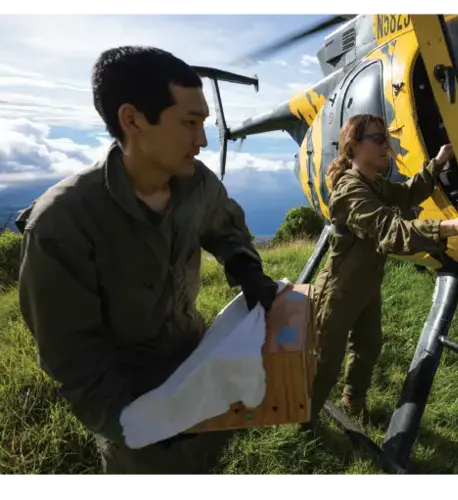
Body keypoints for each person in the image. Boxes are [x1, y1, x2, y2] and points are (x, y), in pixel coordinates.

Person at [15, 45, 278, 478]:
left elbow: (223, 224)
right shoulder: (61, 225)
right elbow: (72, 357)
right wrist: (137, 423)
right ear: (132, 119)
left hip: (200, 370)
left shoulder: (195, 184)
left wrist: (245, 266)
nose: (203, 140)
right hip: (132, 406)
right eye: (190, 123)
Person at [308, 113, 458, 424]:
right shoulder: (351, 190)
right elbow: (393, 233)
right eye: (378, 139)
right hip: (338, 291)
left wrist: (437, 162)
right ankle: (304, 419)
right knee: (325, 361)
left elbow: (407, 194)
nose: (387, 146)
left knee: (367, 349)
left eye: (386, 138)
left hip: (366, 286)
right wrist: (452, 227)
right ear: (353, 146)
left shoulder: (374, 183)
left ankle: (353, 404)